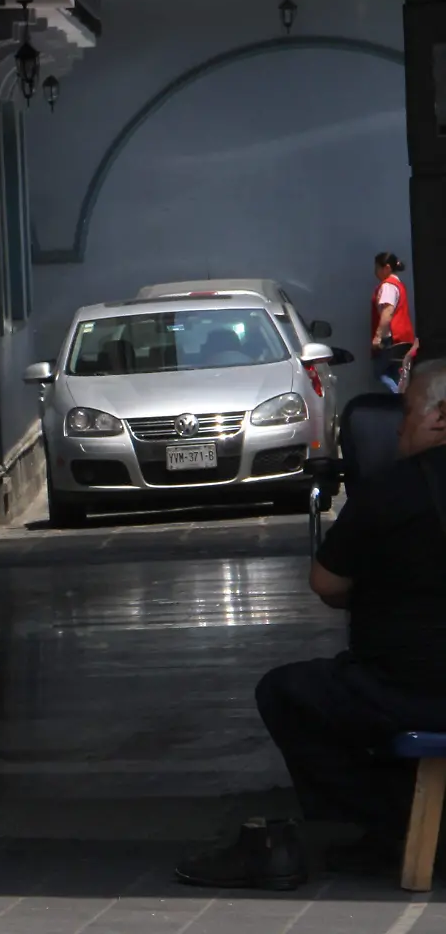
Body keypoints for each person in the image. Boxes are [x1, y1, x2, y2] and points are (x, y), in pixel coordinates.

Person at [176, 361, 446, 888]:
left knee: (288, 693)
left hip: (407, 689)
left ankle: (387, 824)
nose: (398, 428)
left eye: (408, 412)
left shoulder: (390, 491)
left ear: (440, 417)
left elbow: (325, 583)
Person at [371, 252, 417, 393]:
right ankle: (401, 396)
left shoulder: (388, 286)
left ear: (386, 268)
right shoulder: (398, 285)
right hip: (403, 337)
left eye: (377, 268)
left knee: (380, 372)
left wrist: (378, 336)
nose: (375, 272)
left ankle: (400, 396)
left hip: (392, 338)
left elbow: (387, 312)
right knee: (397, 373)